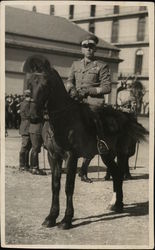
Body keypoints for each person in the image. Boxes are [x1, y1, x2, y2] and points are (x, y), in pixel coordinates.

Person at [66, 34, 111, 155]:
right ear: (82, 49)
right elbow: (69, 81)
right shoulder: (75, 65)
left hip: (93, 102)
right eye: (85, 46)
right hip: (75, 99)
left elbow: (107, 88)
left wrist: (89, 90)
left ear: (95, 49)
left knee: (92, 119)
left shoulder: (101, 66)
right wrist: (72, 89)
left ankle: (99, 142)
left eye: (91, 46)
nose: (88, 49)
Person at [19, 89, 32, 171]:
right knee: (25, 146)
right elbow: (28, 115)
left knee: (28, 147)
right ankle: (22, 164)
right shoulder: (26, 104)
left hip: (27, 127)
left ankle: (26, 164)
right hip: (26, 127)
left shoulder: (25, 103)